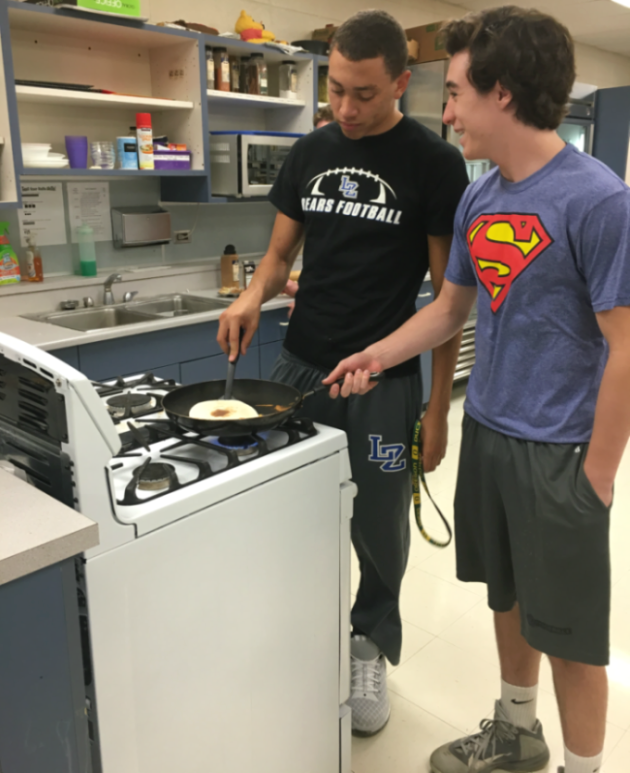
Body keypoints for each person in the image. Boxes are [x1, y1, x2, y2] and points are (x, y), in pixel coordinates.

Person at [323, 6, 630, 773]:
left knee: (572, 637)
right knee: (507, 599)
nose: (446, 109)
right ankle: (516, 733)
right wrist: (376, 350)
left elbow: (628, 345)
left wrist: (597, 473)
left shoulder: (597, 201)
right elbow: (450, 310)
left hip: (560, 453)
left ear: (503, 93)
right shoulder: (480, 197)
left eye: (456, 91)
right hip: (490, 434)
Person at [218, 9, 468, 737]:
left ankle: (369, 644)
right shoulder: (312, 151)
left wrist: (436, 410)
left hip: (384, 382)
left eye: (364, 94)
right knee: (288, 511)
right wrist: (251, 294)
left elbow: (450, 299)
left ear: (400, 81)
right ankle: (296, 634)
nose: (347, 109)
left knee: (380, 522)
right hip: (300, 365)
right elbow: (277, 258)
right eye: (337, 90)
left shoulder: (434, 163)